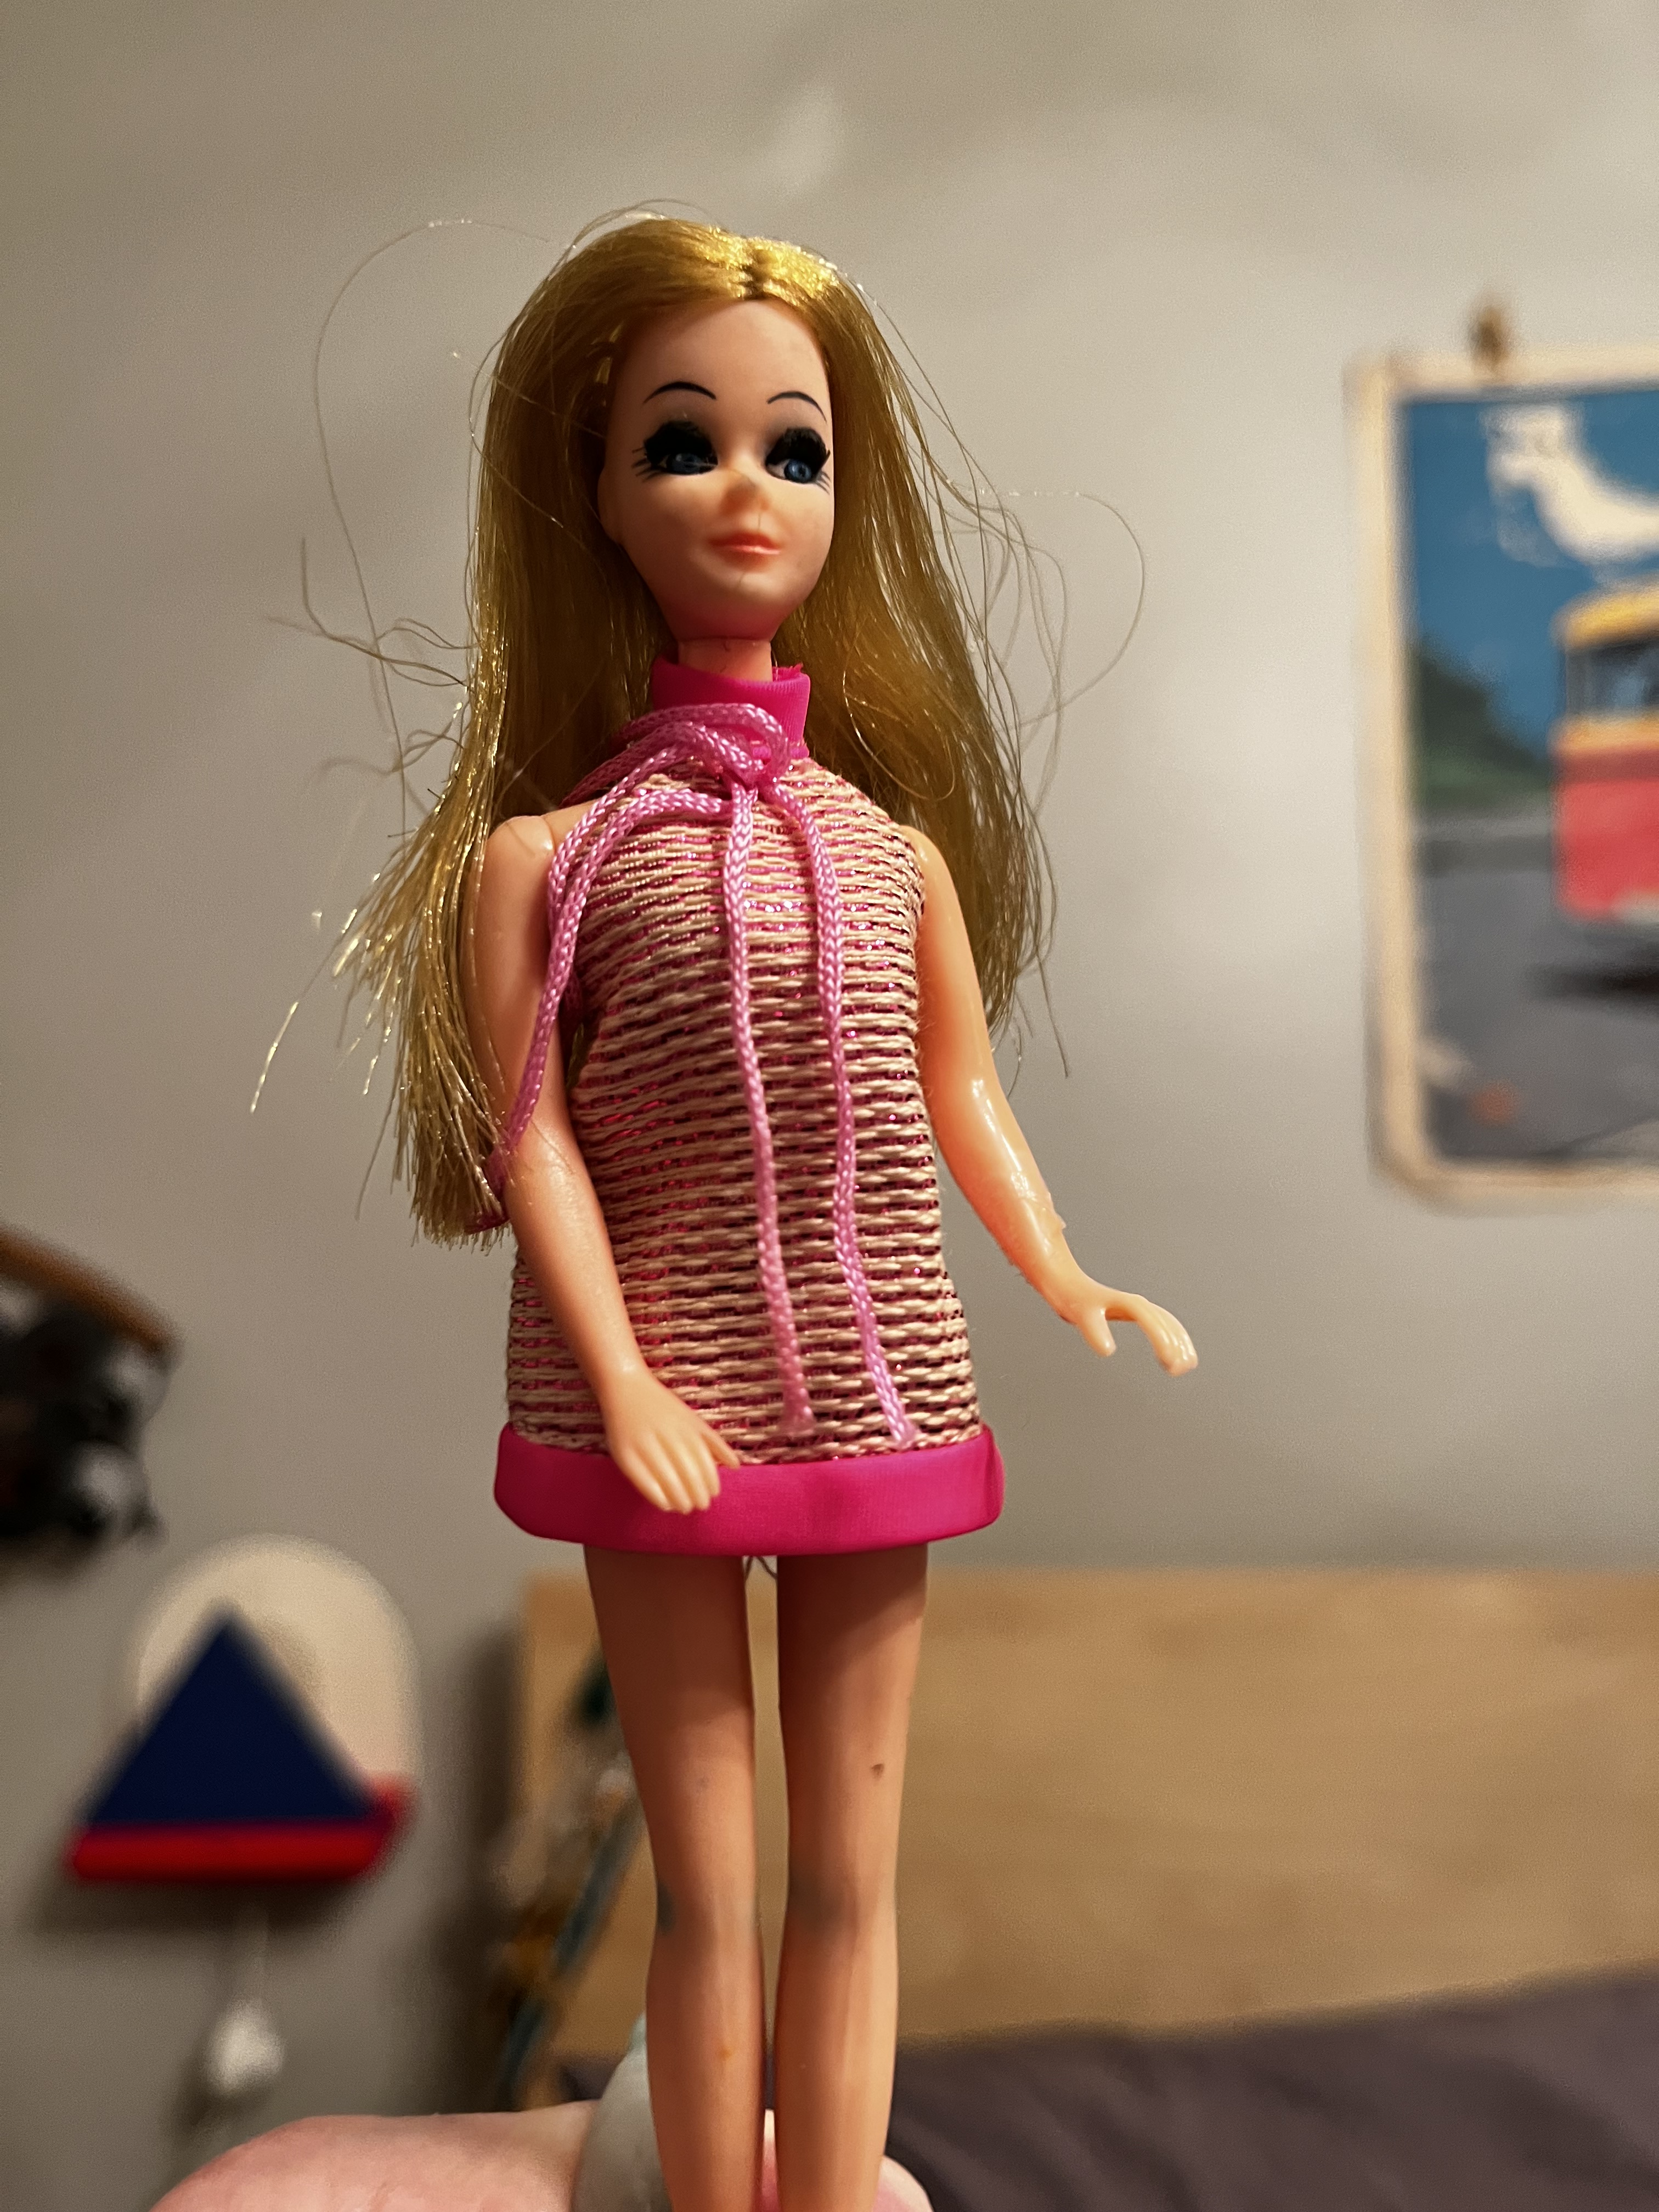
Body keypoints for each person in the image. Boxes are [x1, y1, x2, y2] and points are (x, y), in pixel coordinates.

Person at [352, 216, 1195, 2212]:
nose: (746, 489)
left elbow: (959, 1089)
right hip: (649, 1393)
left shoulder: (896, 854)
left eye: (793, 450)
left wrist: (1064, 1268)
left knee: (851, 1880)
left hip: (885, 1381)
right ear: (596, 486)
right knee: (709, 1886)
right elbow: (534, 1143)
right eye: (686, 441)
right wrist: (627, 1379)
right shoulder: (553, 857)